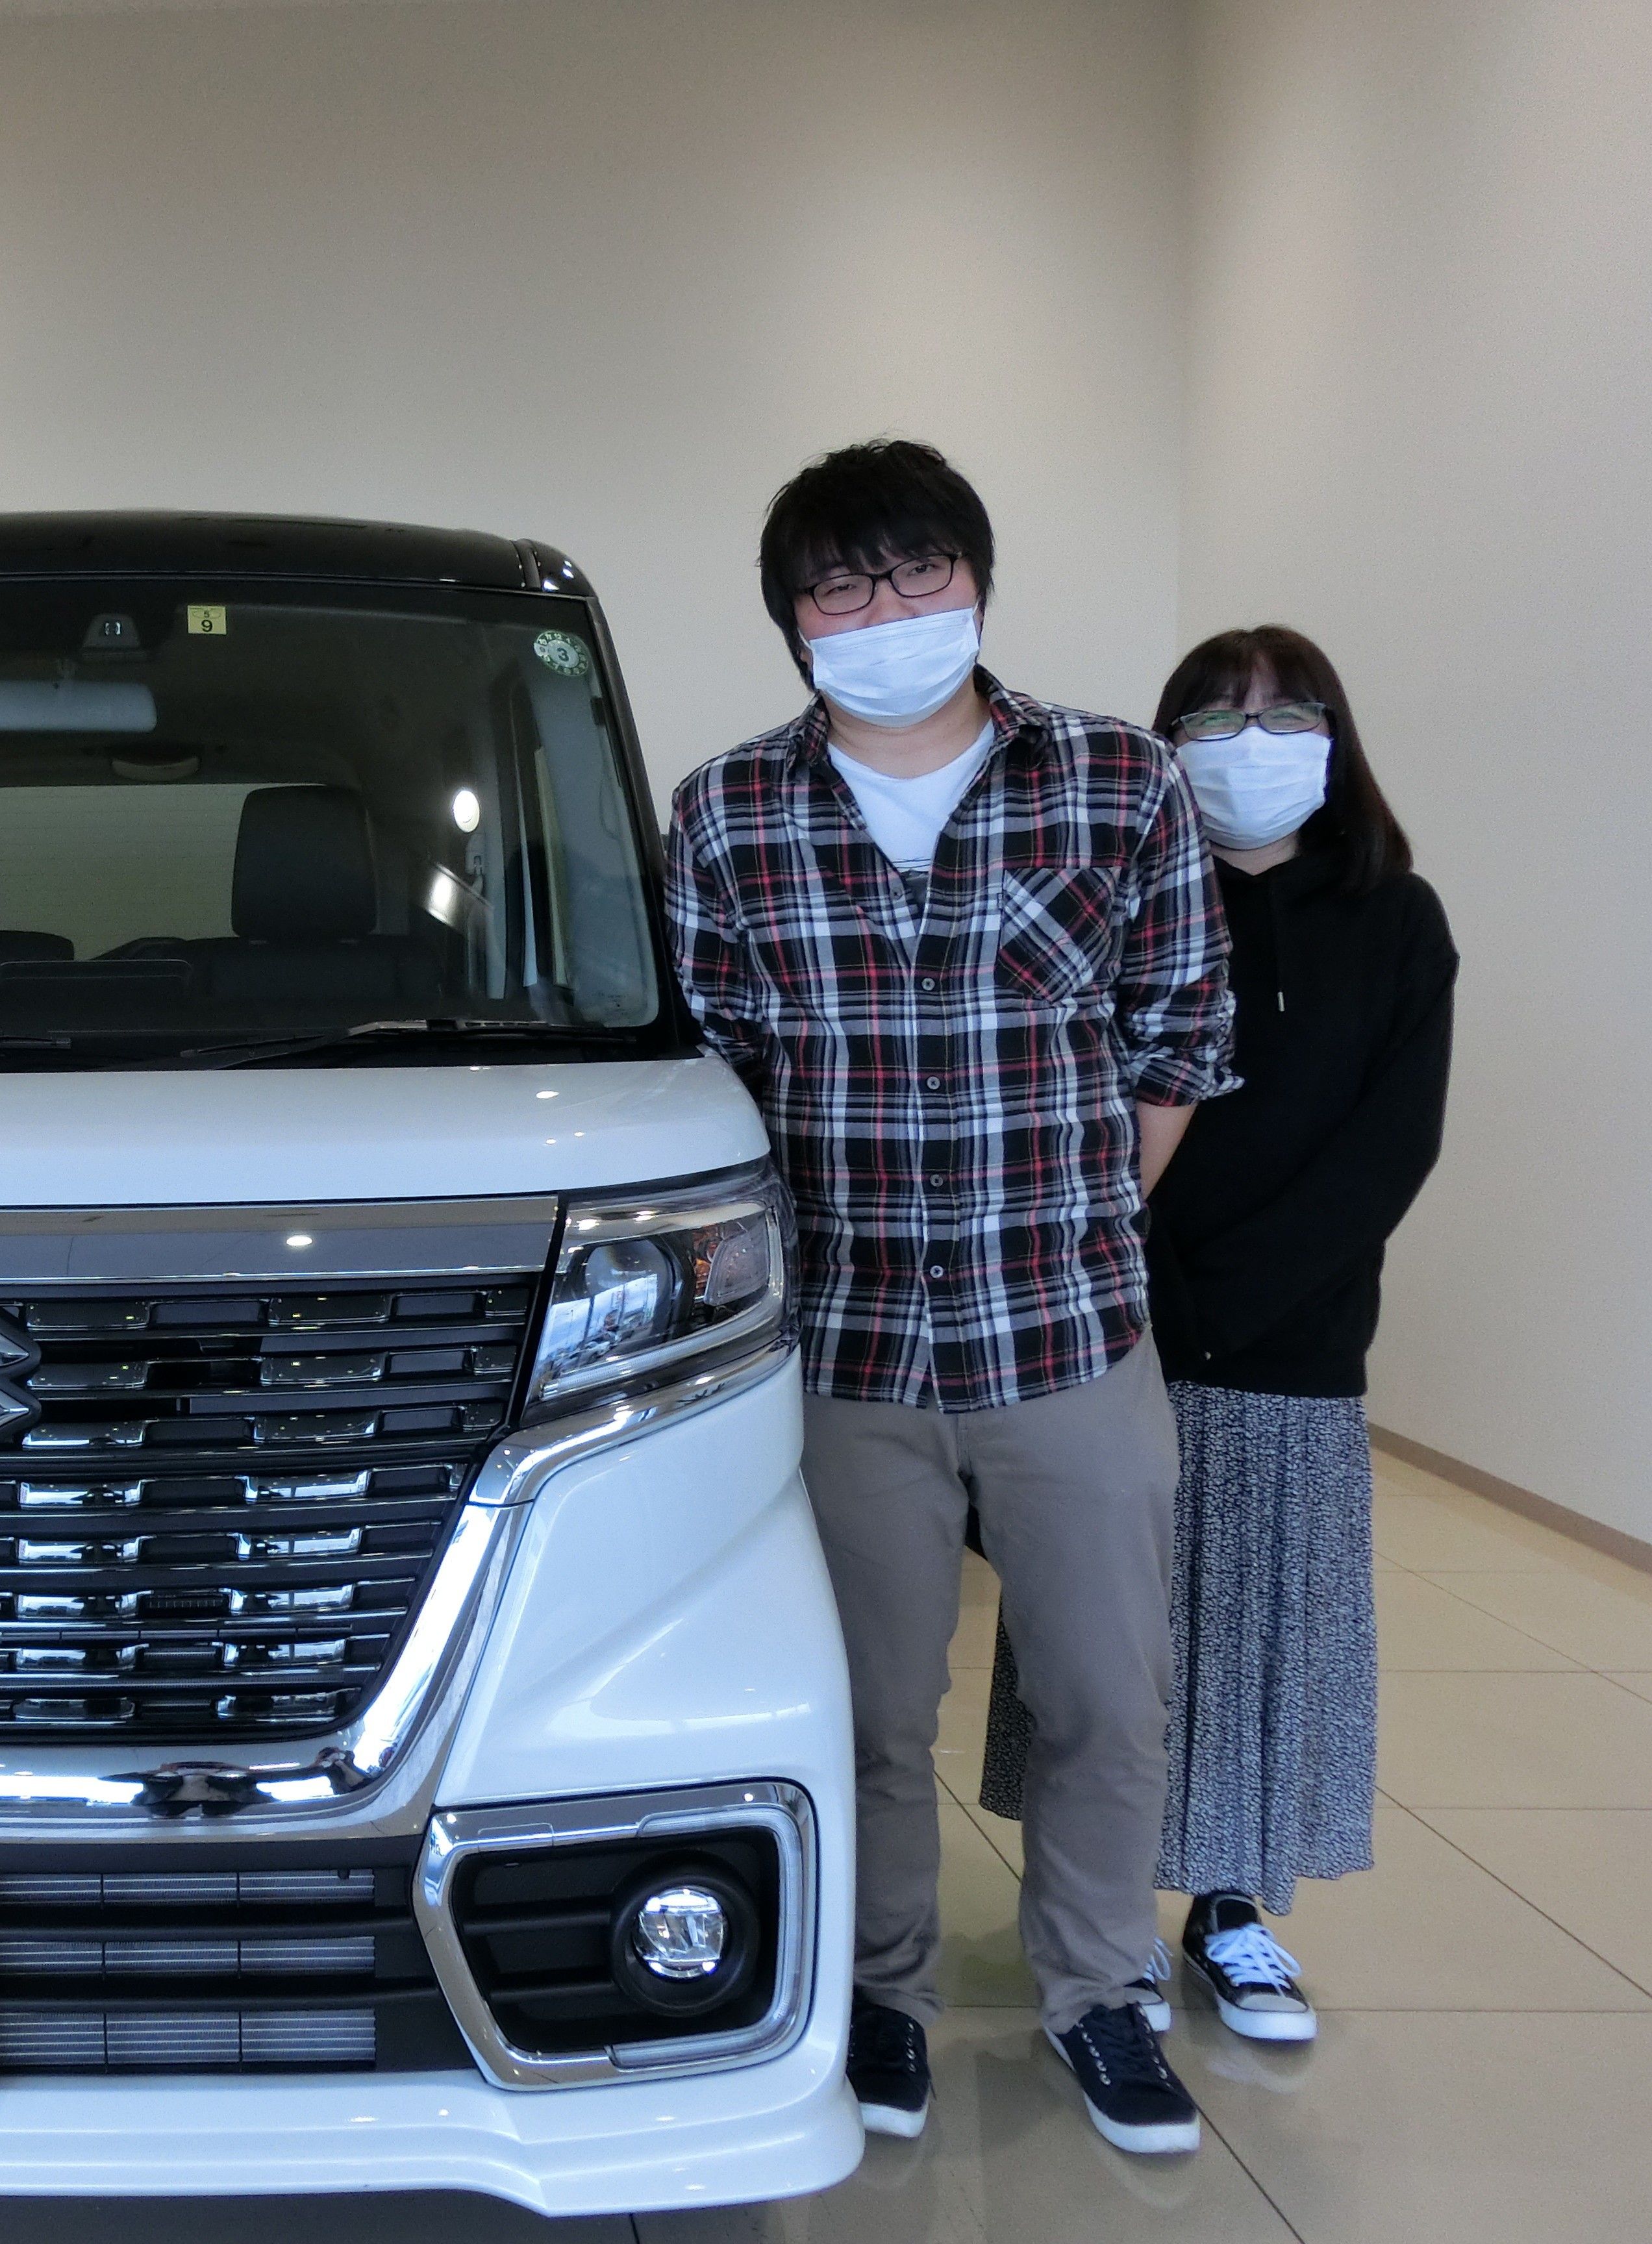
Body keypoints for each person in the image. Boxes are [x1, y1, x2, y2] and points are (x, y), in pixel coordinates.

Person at [665, 440, 1235, 2156]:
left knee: (1105, 1696)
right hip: (840, 1349)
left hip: (1067, 1332)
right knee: (864, 1708)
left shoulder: (1118, 781)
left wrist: (1071, 1224)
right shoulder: (728, 813)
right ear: (793, 621)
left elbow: (1175, 1043)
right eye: (842, 586)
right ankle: (880, 1993)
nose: (887, 610)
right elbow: (711, 1077)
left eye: (919, 572)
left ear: (977, 582)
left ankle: (1100, 1993)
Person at [975, 626, 1453, 2045]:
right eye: (1216, 720)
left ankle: (1232, 1913)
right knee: (1103, 1642)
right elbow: (1071, 1107)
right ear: (1165, 746)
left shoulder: (1396, 917)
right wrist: (1149, 1292)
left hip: (1299, 1340)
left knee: (1261, 1636)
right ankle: (1097, 1912)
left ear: (1336, 739)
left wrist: (1236, 1303)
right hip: (1112, 1325)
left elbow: (1393, 1146)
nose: (1253, 747)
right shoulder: (1117, 900)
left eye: (1286, 715)